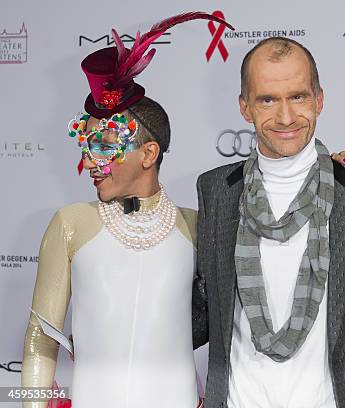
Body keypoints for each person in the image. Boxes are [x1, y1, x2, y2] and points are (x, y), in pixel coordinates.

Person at [21, 12, 232, 408]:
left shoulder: (196, 226)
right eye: (86, 146)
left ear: (148, 153)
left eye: (102, 145)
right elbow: (39, 338)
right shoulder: (70, 224)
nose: (90, 161)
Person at [192, 37, 345, 408]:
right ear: (245, 107)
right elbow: (201, 307)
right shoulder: (215, 191)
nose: (286, 117)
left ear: (319, 99)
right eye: (268, 100)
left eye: (298, 97)